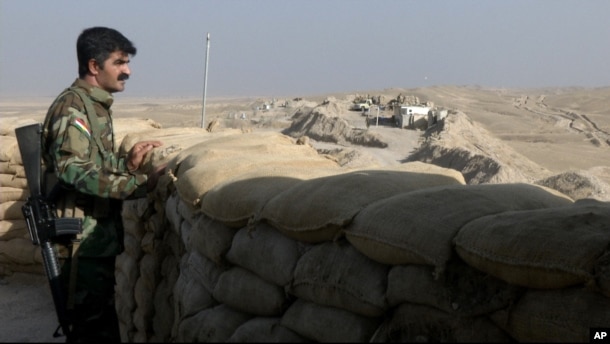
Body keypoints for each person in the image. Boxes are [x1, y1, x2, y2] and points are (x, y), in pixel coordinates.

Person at [41, 26, 166, 343]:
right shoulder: (73, 109)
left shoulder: (93, 106)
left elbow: (92, 161)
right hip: (80, 245)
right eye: (120, 63)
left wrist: (126, 165)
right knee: (91, 332)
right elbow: (72, 170)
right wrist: (137, 183)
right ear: (94, 66)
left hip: (95, 242)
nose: (128, 71)